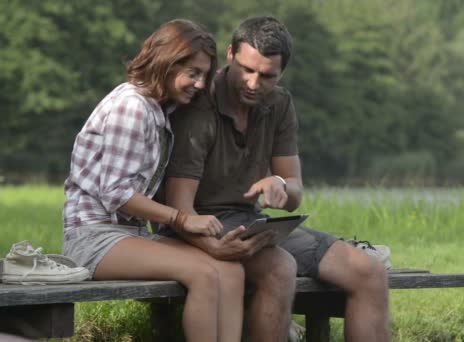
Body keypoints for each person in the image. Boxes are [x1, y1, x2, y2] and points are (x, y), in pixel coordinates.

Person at [162, 16, 390, 341]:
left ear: (281, 73)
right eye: (247, 70)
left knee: (369, 271)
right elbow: (179, 208)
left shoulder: (279, 104)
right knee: (280, 268)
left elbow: (295, 192)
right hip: (197, 226)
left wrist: (280, 185)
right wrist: (213, 247)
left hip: (254, 224)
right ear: (229, 55)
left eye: (267, 76)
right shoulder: (199, 105)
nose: (254, 84)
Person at [61, 19, 245, 342]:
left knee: (230, 270)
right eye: (193, 73)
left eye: (204, 75)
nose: (200, 84)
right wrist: (183, 220)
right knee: (203, 274)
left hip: (128, 235)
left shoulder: (158, 110)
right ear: (166, 63)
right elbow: (117, 195)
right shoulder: (131, 107)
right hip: (93, 238)